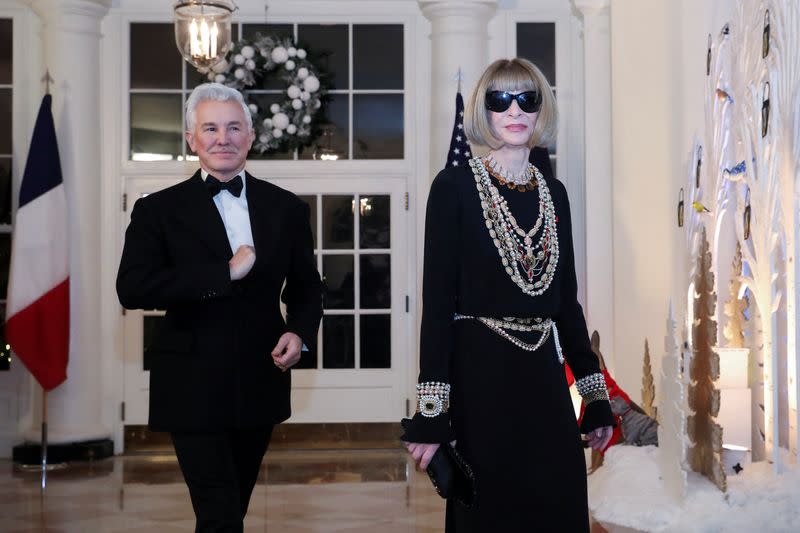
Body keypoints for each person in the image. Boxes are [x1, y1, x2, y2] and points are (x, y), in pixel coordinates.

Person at [401, 58, 614, 532]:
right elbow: (436, 305)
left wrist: (593, 393)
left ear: (541, 110)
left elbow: (565, 301)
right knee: (491, 510)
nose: (514, 110)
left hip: (541, 374)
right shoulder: (453, 186)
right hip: (480, 378)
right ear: (485, 110)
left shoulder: (553, 192)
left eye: (527, 98)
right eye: (500, 100)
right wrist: (432, 413)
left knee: (557, 498)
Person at [116, 83, 322, 533]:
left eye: (233, 127)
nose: (222, 138)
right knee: (219, 512)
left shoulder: (286, 208)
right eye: (210, 128)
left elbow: (307, 288)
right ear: (191, 139)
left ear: (250, 137)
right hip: (190, 384)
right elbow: (132, 288)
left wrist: (299, 332)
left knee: (232, 507)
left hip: (260, 380)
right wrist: (223, 274)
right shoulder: (157, 211)